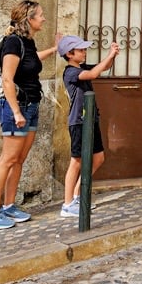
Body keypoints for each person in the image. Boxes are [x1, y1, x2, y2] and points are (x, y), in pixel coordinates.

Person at [0, 0, 59, 230]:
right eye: (41, 15)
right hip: (17, 107)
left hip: (31, 105)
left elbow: (32, 61)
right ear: (29, 19)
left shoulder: (27, 42)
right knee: (7, 159)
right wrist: (16, 112)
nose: (44, 18)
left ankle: (8, 206)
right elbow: (7, 79)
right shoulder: (13, 42)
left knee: (18, 160)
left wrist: (55, 49)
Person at [58, 34, 120, 218]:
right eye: (81, 50)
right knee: (76, 161)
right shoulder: (70, 72)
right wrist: (109, 55)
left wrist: (112, 55)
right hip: (78, 122)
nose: (84, 53)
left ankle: (77, 194)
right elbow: (93, 74)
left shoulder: (81, 67)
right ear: (69, 54)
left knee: (98, 158)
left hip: (91, 119)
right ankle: (67, 204)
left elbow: (102, 68)